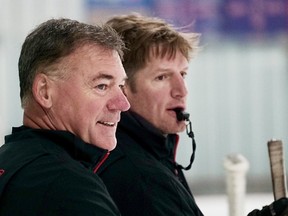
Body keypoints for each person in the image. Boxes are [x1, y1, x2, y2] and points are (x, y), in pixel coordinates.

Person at [98, 13, 288, 216]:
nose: (182, 90)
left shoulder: (151, 153)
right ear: (121, 88)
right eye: (162, 77)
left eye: (183, 74)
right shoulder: (140, 175)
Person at [0, 18, 130, 215]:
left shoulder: (8, 161)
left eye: (121, 86)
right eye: (102, 86)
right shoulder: (70, 188)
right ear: (44, 92)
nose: (123, 104)